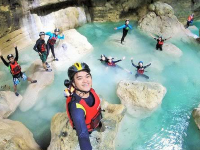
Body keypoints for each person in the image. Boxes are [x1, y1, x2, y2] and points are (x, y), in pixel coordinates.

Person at [65, 62, 102, 150]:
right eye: (79, 78)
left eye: (87, 76)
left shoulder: (91, 91)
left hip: (95, 120)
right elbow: (83, 136)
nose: (85, 80)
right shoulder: (77, 107)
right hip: (88, 129)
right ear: (73, 83)